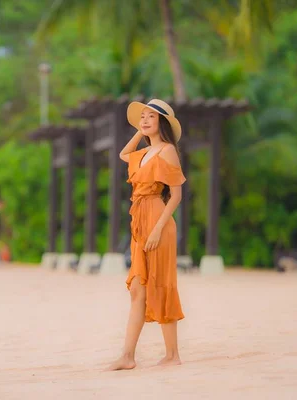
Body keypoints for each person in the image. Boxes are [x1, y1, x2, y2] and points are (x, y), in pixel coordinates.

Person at [108, 99, 186, 371]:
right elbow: (122, 154)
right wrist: (140, 132)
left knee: (162, 283)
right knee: (138, 290)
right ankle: (128, 356)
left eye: (151, 117)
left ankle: (172, 354)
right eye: (142, 117)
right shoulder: (142, 153)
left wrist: (157, 229)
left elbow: (175, 195)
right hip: (139, 221)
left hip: (158, 220)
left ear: (162, 123)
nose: (144, 120)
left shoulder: (167, 151)